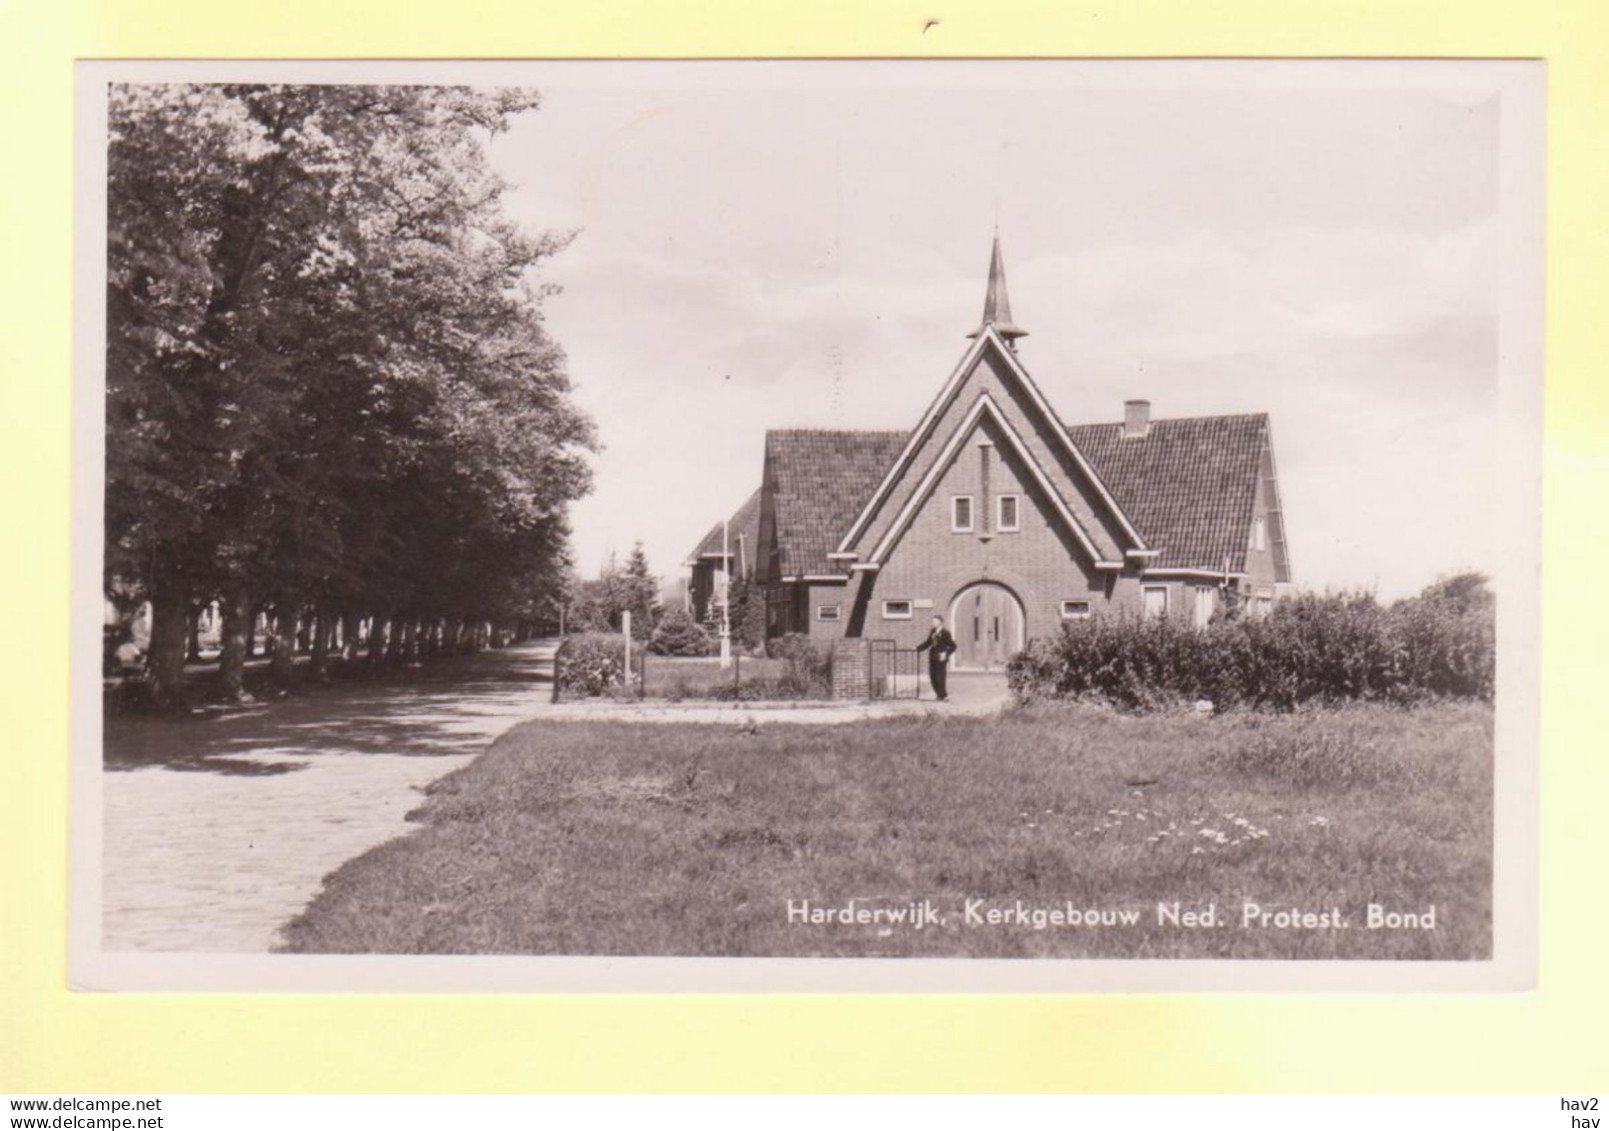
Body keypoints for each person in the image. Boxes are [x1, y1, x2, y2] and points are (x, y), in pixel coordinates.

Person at [914, 614, 957, 702]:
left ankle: (943, 696)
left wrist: (946, 653)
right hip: (932, 657)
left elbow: (953, 646)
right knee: (933, 677)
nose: (933, 623)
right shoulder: (933, 631)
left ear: (940, 622)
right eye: (933, 621)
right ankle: (938, 694)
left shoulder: (946, 633)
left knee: (940, 677)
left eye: (934, 621)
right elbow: (928, 643)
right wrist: (917, 648)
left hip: (941, 658)